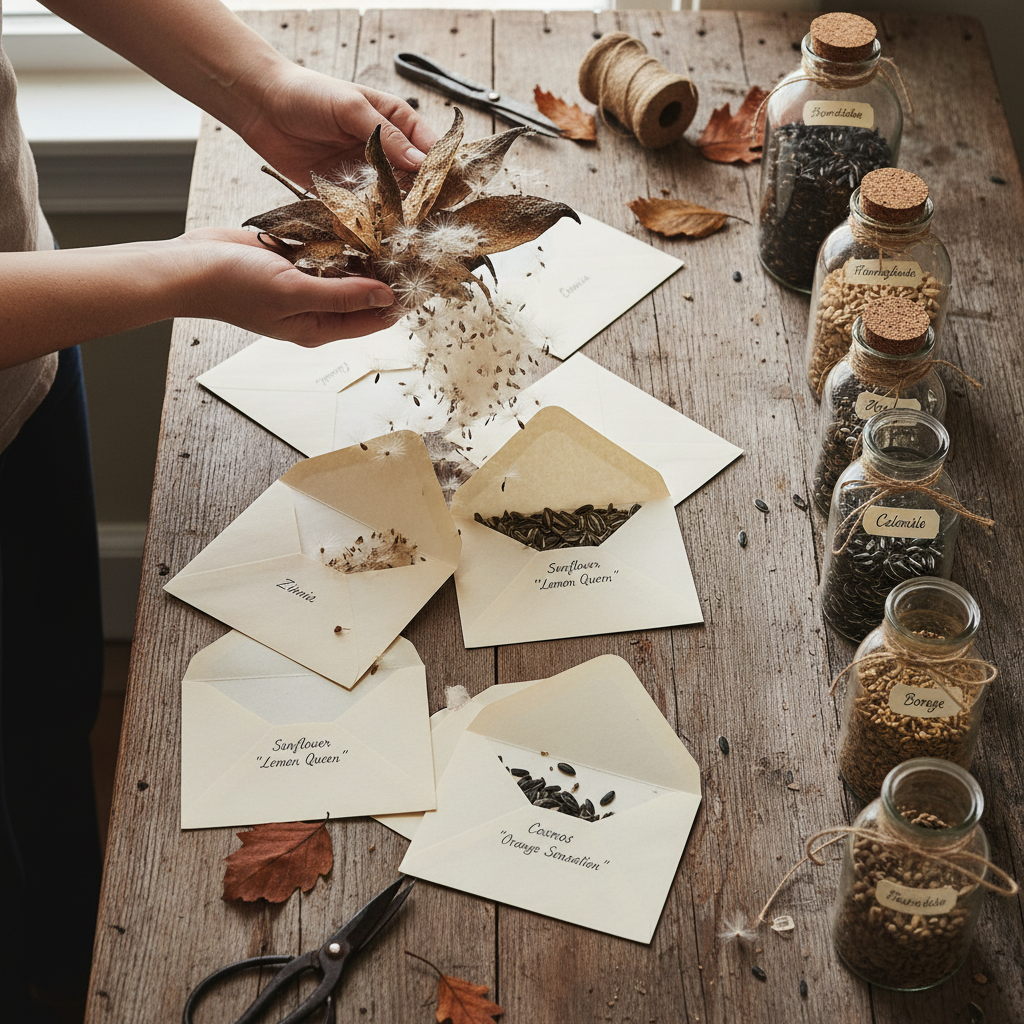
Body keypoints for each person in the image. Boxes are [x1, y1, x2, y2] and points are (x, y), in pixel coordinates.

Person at [0, 2, 438, 1019]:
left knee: (50, 709)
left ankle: (68, 964)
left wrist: (262, 89)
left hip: (22, 358)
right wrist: (186, 271)